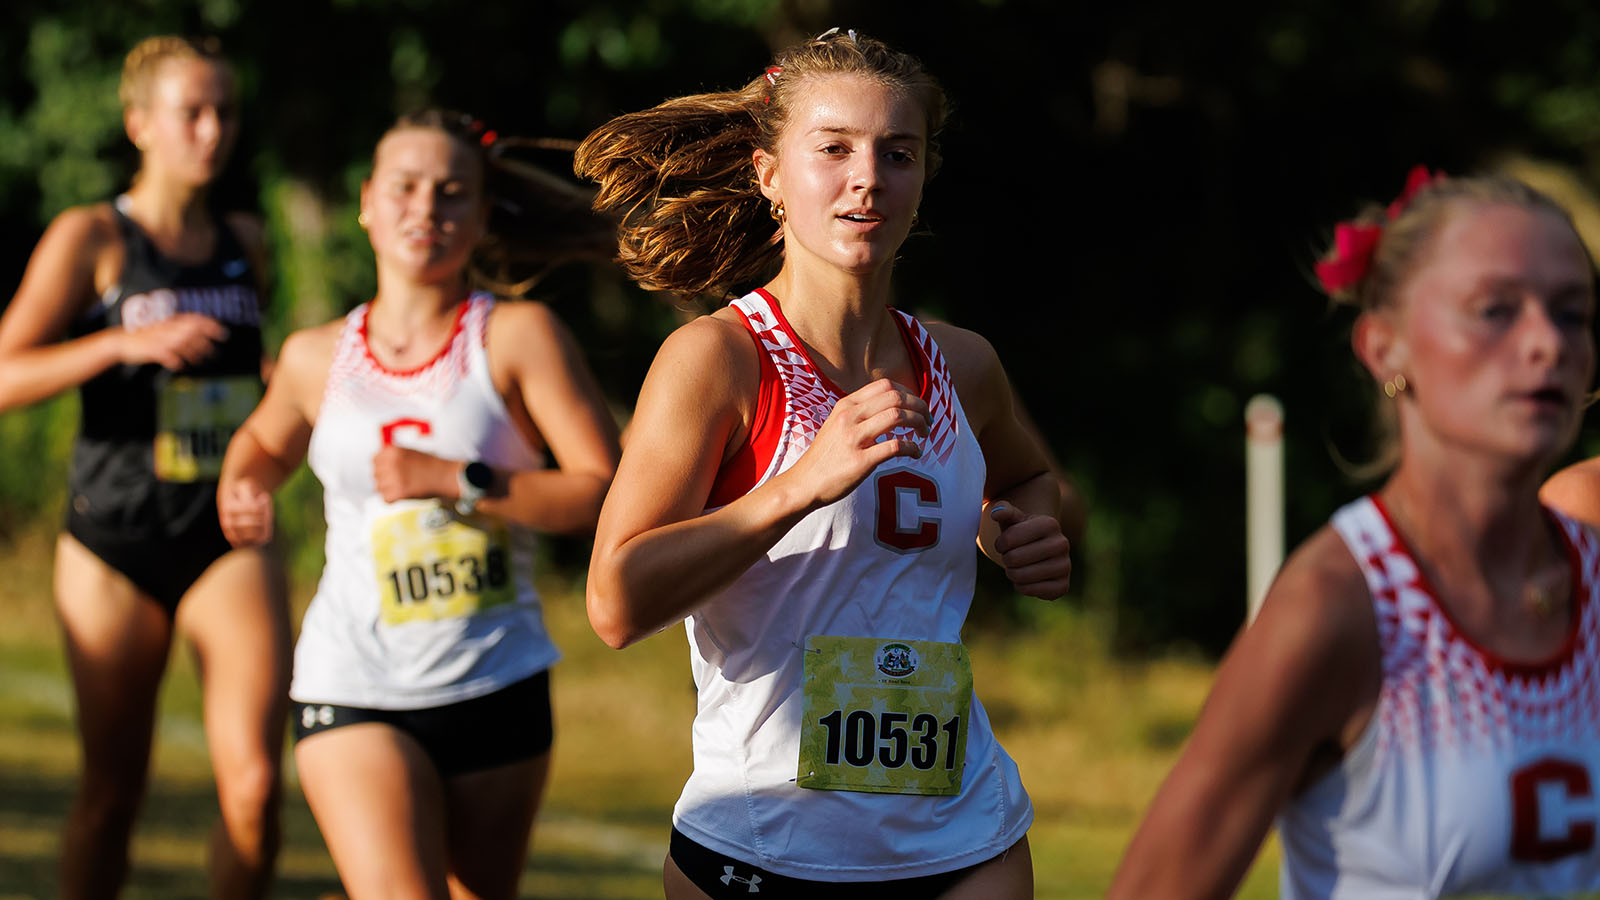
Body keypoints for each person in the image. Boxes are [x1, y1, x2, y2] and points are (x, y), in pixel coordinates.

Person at [576, 28, 1071, 898]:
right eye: (833, 148)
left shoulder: (964, 363)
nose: (867, 176)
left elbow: (1036, 485)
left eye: (898, 153)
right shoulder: (718, 360)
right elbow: (615, 603)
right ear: (770, 174)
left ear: (924, 178)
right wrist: (800, 485)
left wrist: (1023, 530)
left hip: (965, 835)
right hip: (765, 842)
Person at [1108, 170, 1600, 898]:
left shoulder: (1588, 573)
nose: (1545, 343)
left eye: (1571, 313)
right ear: (1384, 348)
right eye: (1495, 309)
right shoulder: (1339, 605)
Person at [217, 108, 620, 900]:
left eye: (451, 193)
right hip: (353, 680)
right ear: (368, 201)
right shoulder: (312, 357)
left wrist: (461, 479)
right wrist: (243, 486)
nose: (425, 210)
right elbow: (262, 445)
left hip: (496, 684)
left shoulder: (520, 337)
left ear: (480, 215)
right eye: (404, 187)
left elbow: (603, 496)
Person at [0, 35, 286, 899]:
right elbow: (6, 371)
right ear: (139, 124)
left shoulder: (248, 239)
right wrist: (121, 342)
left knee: (257, 791)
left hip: (226, 534)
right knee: (111, 795)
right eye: (190, 111)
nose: (212, 130)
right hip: (113, 540)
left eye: (225, 112)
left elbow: (258, 375)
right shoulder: (92, 236)